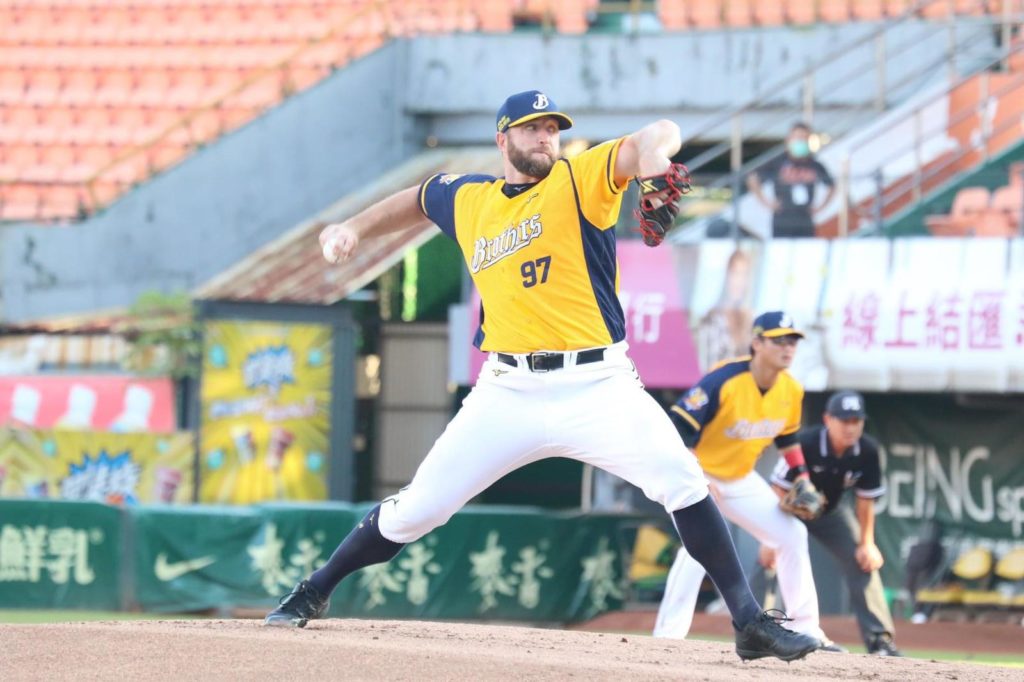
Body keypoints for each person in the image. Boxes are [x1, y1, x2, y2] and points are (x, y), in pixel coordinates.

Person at [264, 89, 820, 662]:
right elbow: (419, 199)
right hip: (507, 390)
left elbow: (660, 132)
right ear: (502, 138)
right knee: (420, 508)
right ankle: (315, 590)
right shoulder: (469, 198)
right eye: (531, 128)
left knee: (684, 481)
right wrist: (352, 228)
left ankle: (749, 621)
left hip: (598, 384)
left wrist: (654, 166)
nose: (545, 137)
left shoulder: (579, 179)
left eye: (552, 127)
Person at [654, 311, 839, 651]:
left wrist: (803, 478)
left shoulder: (790, 390)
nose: (788, 347)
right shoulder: (723, 380)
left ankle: (808, 628)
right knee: (695, 553)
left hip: (739, 479)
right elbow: (678, 429)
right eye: (779, 340)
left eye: (793, 340)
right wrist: (694, 476)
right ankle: (668, 638)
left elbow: (788, 439)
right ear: (756, 343)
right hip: (699, 474)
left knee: (791, 534)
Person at [768, 390, 903, 656]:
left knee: (862, 560)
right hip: (789, 512)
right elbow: (778, 487)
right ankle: (761, 631)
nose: (850, 427)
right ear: (828, 419)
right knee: (767, 561)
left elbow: (865, 501)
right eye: (844, 420)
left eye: (856, 420)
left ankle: (879, 641)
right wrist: (769, 537)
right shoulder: (805, 442)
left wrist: (867, 543)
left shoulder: (867, 450)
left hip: (830, 512)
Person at [746, 122, 835, 238]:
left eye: (804, 138)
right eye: (798, 138)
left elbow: (832, 185)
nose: (801, 141)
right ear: (789, 140)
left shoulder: (814, 164)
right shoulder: (778, 162)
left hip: (805, 220)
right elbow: (752, 178)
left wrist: (821, 207)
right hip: (782, 220)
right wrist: (766, 203)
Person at [694, 247, 754, 372]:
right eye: (735, 273)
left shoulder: (751, 319)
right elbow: (706, 368)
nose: (739, 281)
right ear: (727, 276)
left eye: (744, 275)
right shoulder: (710, 320)